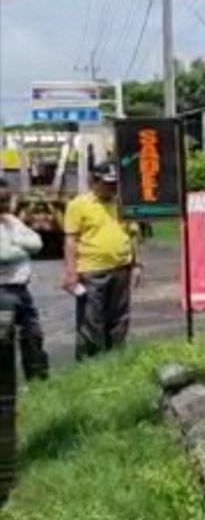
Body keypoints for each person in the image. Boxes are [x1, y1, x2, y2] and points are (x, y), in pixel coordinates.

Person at [62, 163, 142, 360]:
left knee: (119, 316)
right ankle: (91, 361)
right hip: (92, 270)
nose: (112, 188)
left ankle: (116, 358)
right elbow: (71, 240)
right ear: (94, 182)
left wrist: (137, 264)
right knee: (92, 319)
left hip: (121, 268)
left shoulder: (122, 203)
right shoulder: (78, 205)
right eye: (107, 184)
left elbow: (133, 234)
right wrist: (71, 272)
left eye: (115, 184)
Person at [0, 177, 48, 380]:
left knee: (33, 337)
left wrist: (17, 242)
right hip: (2, 292)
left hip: (21, 290)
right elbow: (4, 255)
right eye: (1, 199)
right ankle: (6, 400)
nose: (4, 203)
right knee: (4, 345)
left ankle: (38, 386)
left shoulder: (12, 221)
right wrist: (25, 249)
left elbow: (37, 243)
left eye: (6, 198)